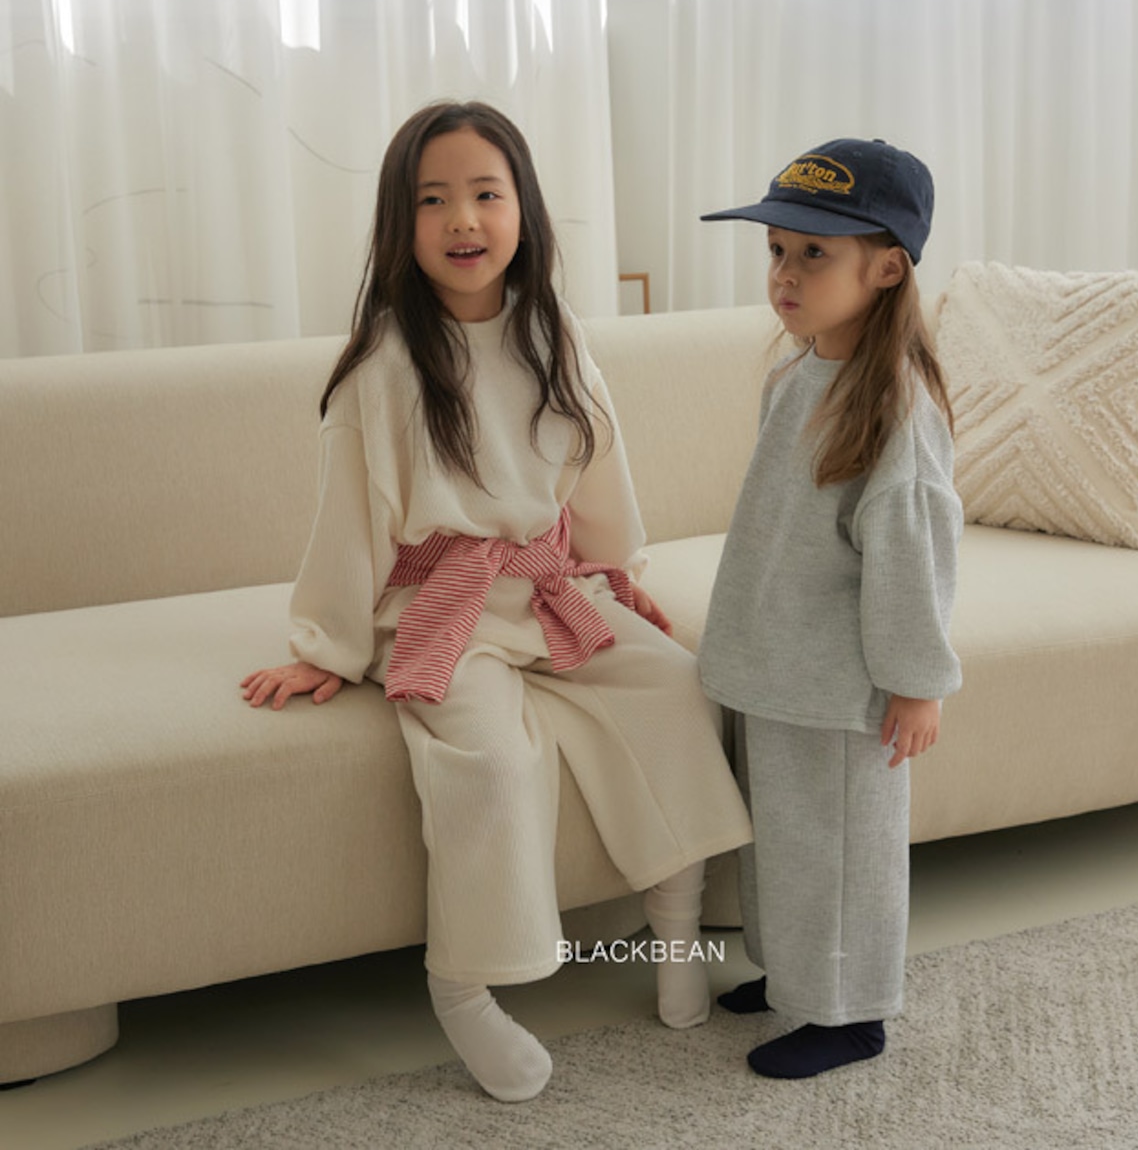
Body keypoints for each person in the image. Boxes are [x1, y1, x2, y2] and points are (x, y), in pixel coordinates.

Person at [241, 100, 752, 1102]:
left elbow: (598, 461)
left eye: (485, 193)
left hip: (548, 589)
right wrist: (325, 645)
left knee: (675, 688)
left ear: (524, 210)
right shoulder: (382, 366)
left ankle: (676, 928)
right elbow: (346, 521)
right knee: (491, 760)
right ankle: (464, 986)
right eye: (433, 200)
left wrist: (616, 569)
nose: (463, 219)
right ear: (401, 223)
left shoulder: (553, 334)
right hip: (444, 609)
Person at [697, 137, 963, 1079]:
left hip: (843, 688)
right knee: (782, 844)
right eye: (777, 249)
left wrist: (917, 683)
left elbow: (911, 559)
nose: (785, 272)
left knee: (841, 851)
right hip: (775, 663)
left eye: (815, 252)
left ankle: (850, 1010)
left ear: (885, 268)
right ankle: (796, 977)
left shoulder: (895, 410)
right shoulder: (795, 375)